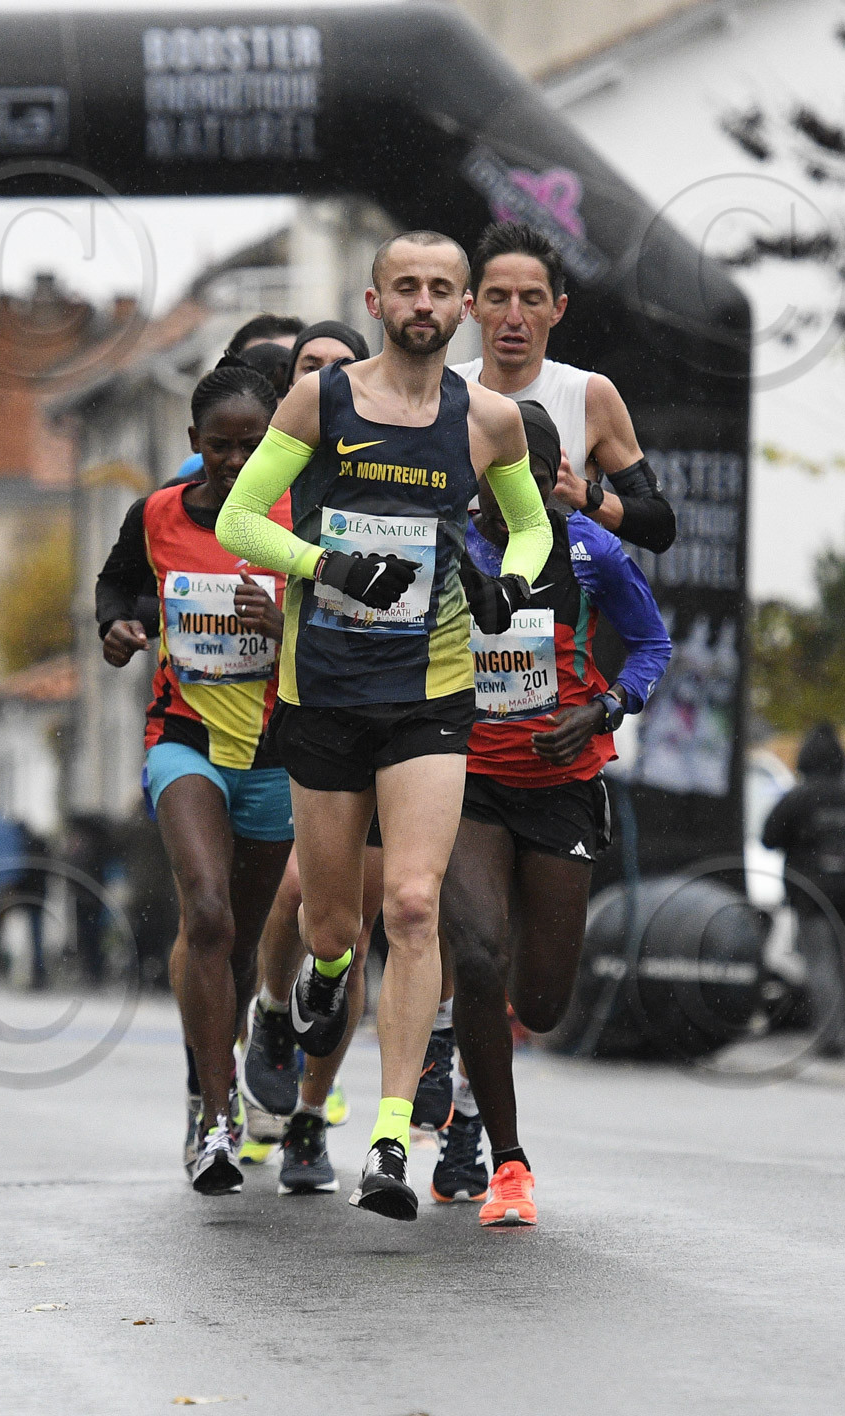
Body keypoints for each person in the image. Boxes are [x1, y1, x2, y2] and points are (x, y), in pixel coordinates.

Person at [217, 230, 552, 1220]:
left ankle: (390, 1137)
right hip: (323, 688)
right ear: (374, 301)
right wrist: (325, 565)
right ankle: (322, 976)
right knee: (332, 927)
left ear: (464, 308)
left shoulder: (488, 418)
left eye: (441, 288)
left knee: (410, 905)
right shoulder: (319, 402)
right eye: (405, 285)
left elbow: (531, 526)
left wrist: (509, 582)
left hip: (430, 692)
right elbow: (241, 519)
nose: (422, 302)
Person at [435, 400, 671, 1226]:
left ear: (556, 479)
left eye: (538, 478)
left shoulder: (589, 548)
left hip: (562, 782)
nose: (521, 494)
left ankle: (469, 1056)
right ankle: (506, 1160)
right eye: (503, 478)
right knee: (475, 955)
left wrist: (602, 708)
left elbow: (651, 646)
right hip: (466, 778)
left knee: (538, 1005)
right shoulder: (450, 545)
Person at [96, 363, 294, 1195]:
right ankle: (215, 1120)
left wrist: (284, 624)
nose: (236, 460)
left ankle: (219, 1069)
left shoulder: (301, 517)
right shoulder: (157, 514)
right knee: (206, 915)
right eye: (220, 446)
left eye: (253, 445)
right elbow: (117, 585)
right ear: (193, 444)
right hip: (185, 738)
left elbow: (353, 622)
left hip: (278, 752)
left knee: (240, 945)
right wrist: (115, 626)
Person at [239, 317, 376, 1193]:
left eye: (340, 366)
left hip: (390, 711)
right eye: (307, 366)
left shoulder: (392, 463)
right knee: (299, 896)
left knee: (348, 932)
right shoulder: (268, 474)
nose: (323, 380)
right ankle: (267, 1015)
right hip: (292, 713)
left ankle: (308, 1119)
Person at [452, 221, 676, 554]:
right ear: (472, 307)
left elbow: (660, 526)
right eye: (497, 298)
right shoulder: (444, 391)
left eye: (532, 300)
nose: (514, 317)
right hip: (462, 587)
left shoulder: (589, 395)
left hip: (558, 585)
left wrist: (583, 494)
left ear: (557, 309)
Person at [762, 724, 845, 1056]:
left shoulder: (799, 798)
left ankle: (833, 1036)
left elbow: (769, 837)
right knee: (841, 961)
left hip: (809, 893)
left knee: (820, 962)